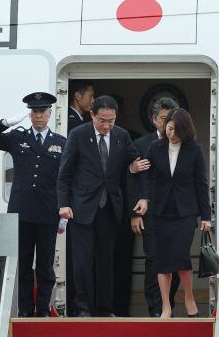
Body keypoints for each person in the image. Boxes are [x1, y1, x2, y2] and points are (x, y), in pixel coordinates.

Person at [57, 95, 150, 317]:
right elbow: (65, 174)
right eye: (102, 121)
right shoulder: (78, 134)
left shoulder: (121, 135)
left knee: (106, 261)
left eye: (111, 120)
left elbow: (137, 165)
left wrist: (142, 193)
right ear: (92, 115)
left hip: (109, 207)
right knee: (83, 261)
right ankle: (83, 307)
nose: (107, 125)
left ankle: (104, 308)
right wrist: (63, 204)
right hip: (81, 208)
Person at [0, 92, 66, 318]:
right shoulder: (17, 137)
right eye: (34, 111)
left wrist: (64, 209)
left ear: (49, 113)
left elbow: (67, 178)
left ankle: (43, 309)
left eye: (42, 111)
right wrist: (7, 123)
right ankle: (26, 309)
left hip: (48, 210)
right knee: (24, 263)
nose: (38, 115)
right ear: (29, 114)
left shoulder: (61, 143)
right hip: (22, 209)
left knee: (46, 265)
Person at [141, 108, 211, 318]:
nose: (172, 134)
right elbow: (143, 174)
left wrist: (206, 216)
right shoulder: (155, 148)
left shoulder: (194, 150)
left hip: (186, 213)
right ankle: (165, 306)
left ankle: (189, 299)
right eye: (169, 129)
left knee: (181, 256)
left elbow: (201, 183)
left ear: (186, 130)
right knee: (161, 259)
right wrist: (144, 197)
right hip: (161, 211)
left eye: (176, 131)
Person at [126, 97, 181, 317]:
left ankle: (169, 305)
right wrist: (134, 214)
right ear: (154, 119)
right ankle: (156, 309)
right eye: (163, 119)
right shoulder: (141, 144)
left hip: (178, 213)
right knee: (154, 260)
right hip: (149, 213)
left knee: (177, 260)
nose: (168, 123)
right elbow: (132, 180)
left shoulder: (184, 143)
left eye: (172, 119)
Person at [58, 80, 94, 317]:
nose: (93, 100)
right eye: (90, 96)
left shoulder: (80, 122)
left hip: (83, 202)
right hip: (75, 201)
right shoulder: (73, 125)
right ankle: (74, 305)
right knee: (76, 257)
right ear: (77, 96)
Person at [110, 93, 142, 317]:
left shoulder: (134, 138)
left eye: (117, 112)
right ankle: (97, 308)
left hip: (125, 212)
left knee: (123, 262)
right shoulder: (87, 137)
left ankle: (122, 309)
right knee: (97, 262)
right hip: (99, 210)